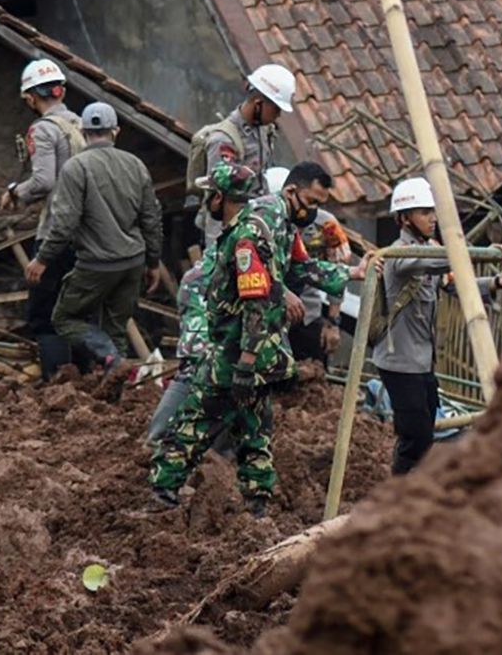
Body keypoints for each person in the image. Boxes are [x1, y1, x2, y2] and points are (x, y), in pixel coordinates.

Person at [150, 163, 375, 517]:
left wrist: (350, 272)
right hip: (253, 344)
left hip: (240, 347)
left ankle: (165, 490)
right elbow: (264, 290)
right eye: (311, 202)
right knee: (253, 427)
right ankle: (256, 504)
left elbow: (275, 286)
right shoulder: (263, 225)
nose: (313, 211)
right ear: (290, 193)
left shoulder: (265, 227)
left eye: (318, 203)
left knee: (196, 420)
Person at [373, 176, 502, 475]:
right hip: (398, 363)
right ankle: (399, 497)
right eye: (423, 212)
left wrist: (496, 281)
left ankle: (409, 490)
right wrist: (482, 252)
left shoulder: (428, 251)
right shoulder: (400, 255)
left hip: (421, 362)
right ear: (404, 218)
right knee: (415, 437)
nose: (432, 218)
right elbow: (438, 261)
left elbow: (452, 283)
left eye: (433, 211)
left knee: (424, 432)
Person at [24, 102, 163, 399]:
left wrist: (42, 259)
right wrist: (153, 262)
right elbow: (151, 218)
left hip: (96, 264)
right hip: (133, 262)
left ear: (85, 132)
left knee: (63, 319)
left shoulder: (76, 168)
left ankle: (110, 359)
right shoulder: (135, 164)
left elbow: (63, 224)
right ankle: (113, 396)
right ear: (116, 131)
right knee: (115, 328)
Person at [0, 58, 85, 378]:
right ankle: (86, 379)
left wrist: (14, 193)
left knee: (44, 314)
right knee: (79, 311)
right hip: (88, 233)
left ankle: (57, 383)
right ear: (60, 91)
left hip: (56, 234)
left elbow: (44, 181)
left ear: (31, 98)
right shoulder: (81, 124)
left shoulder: (43, 130)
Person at [187, 64, 297, 247]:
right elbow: (217, 199)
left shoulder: (264, 131)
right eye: (276, 108)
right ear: (259, 103)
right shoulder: (223, 139)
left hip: (255, 225)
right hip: (229, 232)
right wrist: (218, 249)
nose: (278, 115)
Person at [264, 167, 352, 368]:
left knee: (312, 380)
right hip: (268, 316)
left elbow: (338, 269)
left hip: (308, 315)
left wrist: (332, 322)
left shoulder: (326, 225)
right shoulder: (262, 222)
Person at [145, 246, 215, 443]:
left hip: (231, 290)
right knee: (198, 365)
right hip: (206, 289)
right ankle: (159, 438)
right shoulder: (255, 227)